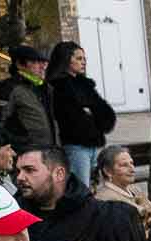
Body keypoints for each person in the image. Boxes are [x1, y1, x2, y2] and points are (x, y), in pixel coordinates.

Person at [14, 146, 148, 241]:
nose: (19, 177)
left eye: (29, 170)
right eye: (18, 171)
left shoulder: (101, 216)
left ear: (59, 174)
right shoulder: (12, 212)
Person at [45, 43, 114, 188]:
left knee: (99, 187)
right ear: (66, 60)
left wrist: (91, 113)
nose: (83, 62)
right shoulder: (58, 87)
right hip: (76, 146)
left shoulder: (85, 84)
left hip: (95, 143)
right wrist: (90, 113)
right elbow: (72, 118)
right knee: (81, 189)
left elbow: (105, 113)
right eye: (79, 58)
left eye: (84, 58)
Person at [0, 46, 56, 150]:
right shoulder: (7, 88)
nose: (42, 66)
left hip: (51, 154)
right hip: (25, 155)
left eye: (44, 62)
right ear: (20, 64)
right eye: (35, 62)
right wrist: (20, 145)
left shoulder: (47, 88)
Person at [91, 145, 151, 228]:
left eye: (132, 163)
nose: (132, 169)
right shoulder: (105, 199)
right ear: (107, 171)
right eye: (124, 165)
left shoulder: (134, 189)